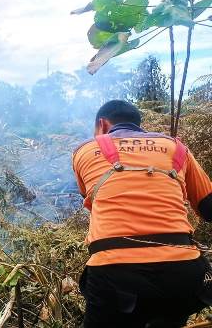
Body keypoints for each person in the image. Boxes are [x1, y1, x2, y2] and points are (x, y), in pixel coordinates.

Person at [73, 100, 212, 327]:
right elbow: (209, 207)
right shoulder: (175, 147)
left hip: (114, 274)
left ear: (102, 125)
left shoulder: (85, 150)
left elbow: (91, 198)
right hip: (183, 272)